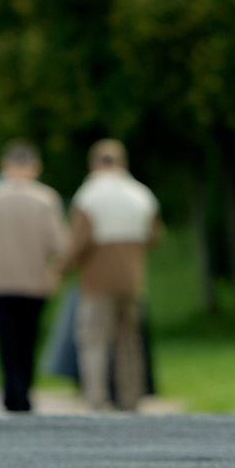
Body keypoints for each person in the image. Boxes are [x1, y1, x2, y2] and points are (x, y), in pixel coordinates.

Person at [0, 141, 66, 414]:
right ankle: (25, 391)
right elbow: (57, 244)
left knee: (6, 339)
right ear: (36, 167)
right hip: (34, 282)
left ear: (4, 165)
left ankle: (11, 391)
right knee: (29, 338)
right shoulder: (47, 199)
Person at [62, 139, 162, 412]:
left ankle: (96, 397)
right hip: (132, 281)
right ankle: (131, 398)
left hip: (97, 282)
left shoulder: (89, 194)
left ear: (94, 164)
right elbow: (154, 237)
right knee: (129, 343)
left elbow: (79, 240)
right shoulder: (141, 194)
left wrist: (61, 268)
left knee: (94, 340)